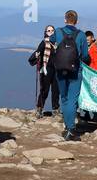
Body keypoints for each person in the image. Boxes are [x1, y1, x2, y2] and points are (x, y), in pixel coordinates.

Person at [52, 11, 86, 142]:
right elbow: (84, 55)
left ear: (65, 20)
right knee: (72, 99)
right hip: (75, 71)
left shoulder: (58, 32)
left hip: (60, 70)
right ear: (76, 21)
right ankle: (70, 129)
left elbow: (51, 41)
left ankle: (67, 126)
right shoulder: (81, 35)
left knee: (64, 98)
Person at [29, 25, 57, 117]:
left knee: (56, 90)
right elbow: (38, 52)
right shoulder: (44, 43)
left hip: (57, 69)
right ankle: (40, 108)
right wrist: (35, 57)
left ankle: (55, 109)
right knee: (44, 90)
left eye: (52, 30)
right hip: (46, 69)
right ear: (46, 32)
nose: (50, 32)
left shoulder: (58, 43)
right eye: (48, 31)